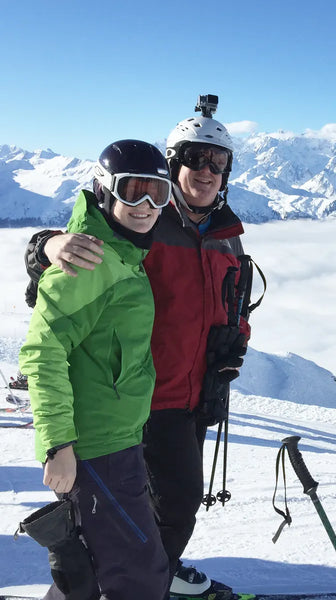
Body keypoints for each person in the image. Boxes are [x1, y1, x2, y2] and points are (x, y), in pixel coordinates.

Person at [25, 109, 252, 599]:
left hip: (195, 391)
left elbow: (230, 300)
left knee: (163, 507)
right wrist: (46, 246)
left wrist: (236, 338)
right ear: (174, 164)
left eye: (218, 161)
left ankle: (144, 577)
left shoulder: (225, 233)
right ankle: (145, 582)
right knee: (163, 505)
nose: (207, 170)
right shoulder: (144, 224)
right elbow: (77, 262)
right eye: (195, 158)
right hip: (141, 400)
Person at [18, 140, 172, 600]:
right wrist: (58, 444)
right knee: (138, 576)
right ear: (104, 191)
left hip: (116, 441)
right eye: (133, 192)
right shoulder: (90, 260)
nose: (146, 206)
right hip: (94, 449)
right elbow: (42, 352)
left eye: (158, 194)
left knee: (91, 569)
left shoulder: (122, 251)